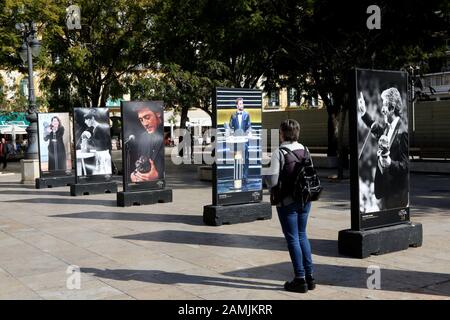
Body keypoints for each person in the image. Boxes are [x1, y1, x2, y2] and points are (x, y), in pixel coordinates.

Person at [265, 119, 315, 293]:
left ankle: (299, 279)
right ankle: (310, 277)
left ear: (282, 133)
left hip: (287, 202)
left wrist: (266, 177)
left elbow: (272, 181)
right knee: (302, 235)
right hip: (305, 200)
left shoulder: (279, 152)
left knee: (292, 238)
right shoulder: (305, 149)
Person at [358, 88, 409, 210]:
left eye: (385, 105)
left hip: (396, 195)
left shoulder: (403, 132)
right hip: (385, 191)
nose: (382, 110)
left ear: (392, 107)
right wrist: (364, 113)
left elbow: (405, 166)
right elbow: (376, 128)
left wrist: (390, 163)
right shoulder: (388, 127)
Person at [130, 104, 164, 183]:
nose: (145, 124)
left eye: (147, 117)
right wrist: (134, 174)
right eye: (141, 120)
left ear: (158, 113)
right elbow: (140, 160)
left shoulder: (165, 135)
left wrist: (158, 175)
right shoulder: (143, 137)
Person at [80, 109, 112, 175]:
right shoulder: (97, 128)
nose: (85, 122)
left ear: (92, 118)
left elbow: (101, 145)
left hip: (103, 156)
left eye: (86, 119)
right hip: (102, 155)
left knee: (103, 175)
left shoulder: (99, 128)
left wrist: (89, 139)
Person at [228, 97, 252, 182]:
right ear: (237, 105)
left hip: (245, 140)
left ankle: (245, 177)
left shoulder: (247, 114)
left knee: (246, 158)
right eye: (240, 103)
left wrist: (249, 133)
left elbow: (249, 126)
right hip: (236, 140)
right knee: (237, 158)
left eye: (242, 103)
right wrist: (230, 134)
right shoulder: (233, 115)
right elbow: (230, 127)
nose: (242, 105)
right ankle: (237, 175)